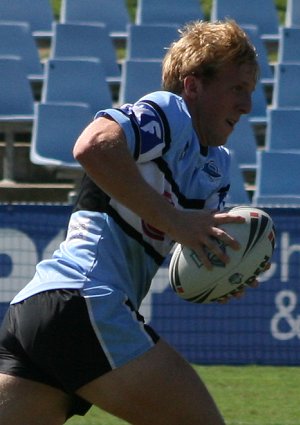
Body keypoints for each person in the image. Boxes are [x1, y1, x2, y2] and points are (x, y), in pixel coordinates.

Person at [0, 19, 260, 425]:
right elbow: (93, 146)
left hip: (44, 311)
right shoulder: (171, 111)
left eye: (251, 92)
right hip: (85, 300)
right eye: (237, 89)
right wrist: (177, 222)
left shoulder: (218, 166)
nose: (247, 106)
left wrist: (225, 272)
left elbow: (190, 245)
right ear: (193, 86)